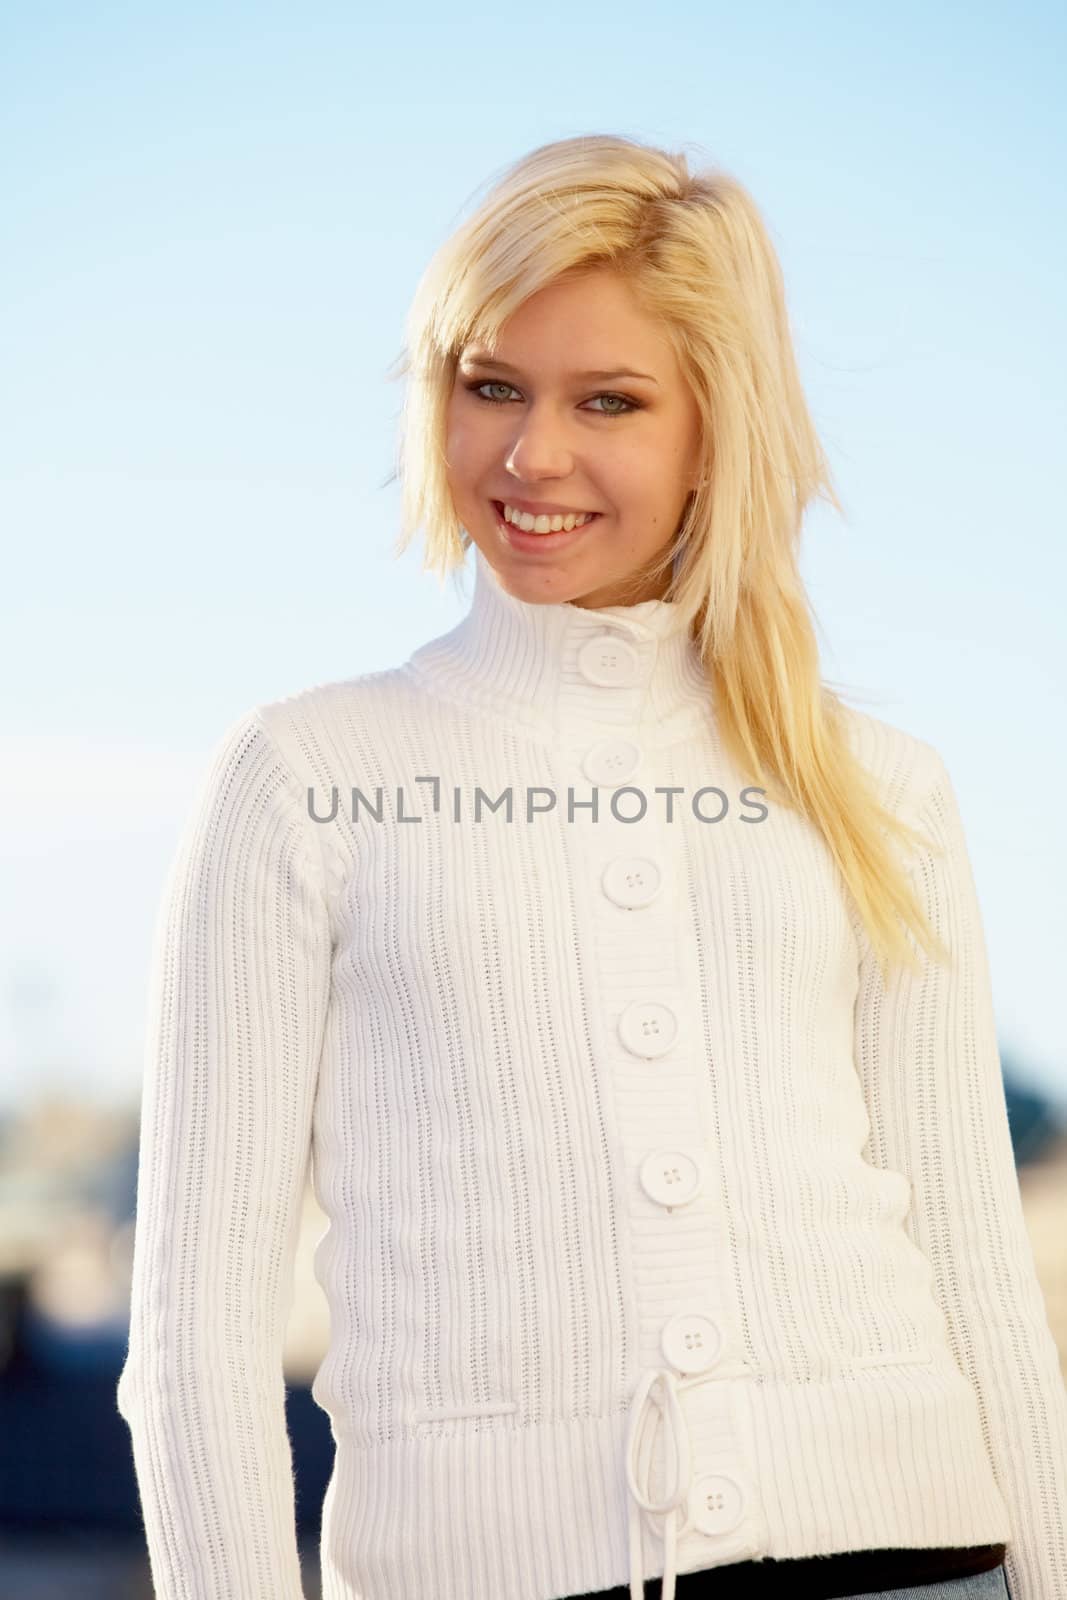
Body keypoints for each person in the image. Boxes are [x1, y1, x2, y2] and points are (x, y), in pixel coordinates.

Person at [115, 133, 1067, 1600]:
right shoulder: (307, 778)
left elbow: (973, 1257)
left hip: (908, 1551)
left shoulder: (880, 788)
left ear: (715, 431)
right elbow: (195, 1329)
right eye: (489, 385)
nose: (530, 453)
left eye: (607, 401)